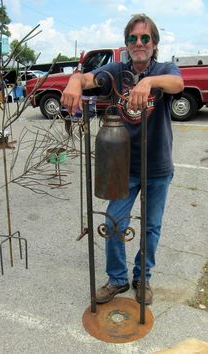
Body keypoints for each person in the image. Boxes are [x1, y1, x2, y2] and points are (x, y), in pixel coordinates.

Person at [61, 14, 184, 305]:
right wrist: (74, 82)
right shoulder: (116, 71)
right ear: (126, 43)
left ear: (154, 44)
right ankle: (117, 278)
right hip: (123, 167)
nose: (139, 43)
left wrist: (149, 81)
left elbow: (177, 84)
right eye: (133, 38)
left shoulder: (164, 69)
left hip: (157, 167)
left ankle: (143, 278)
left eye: (145, 38)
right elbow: (87, 77)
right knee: (115, 221)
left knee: (151, 226)